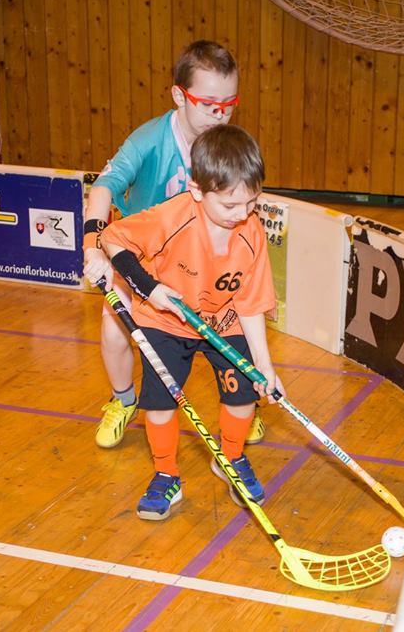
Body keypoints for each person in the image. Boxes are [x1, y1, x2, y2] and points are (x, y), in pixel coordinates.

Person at [83, 40, 266, 449]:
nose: (220, 116)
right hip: (141, 259)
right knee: (114, 333)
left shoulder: (225, 144)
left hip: (206, 266)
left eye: (229, 105)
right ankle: (123, 399)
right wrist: (93, 245)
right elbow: (104, 188)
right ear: (179, 96)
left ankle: (245, 402)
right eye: (208, 105)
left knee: (233, 336)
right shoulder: (149, 141)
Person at [99, 124, 285, 520]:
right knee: (160, 405)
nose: (244, 214)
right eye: (231, 206)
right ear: (198, 191)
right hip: (166, 321)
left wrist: (265, 368)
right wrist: (149, 289)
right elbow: (113, 239)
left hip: (224, 319)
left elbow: (250, 304)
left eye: (252, 202)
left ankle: (230, 459)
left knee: (243, 394)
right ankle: (167, 474)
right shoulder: (172, 217)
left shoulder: (251, 232)